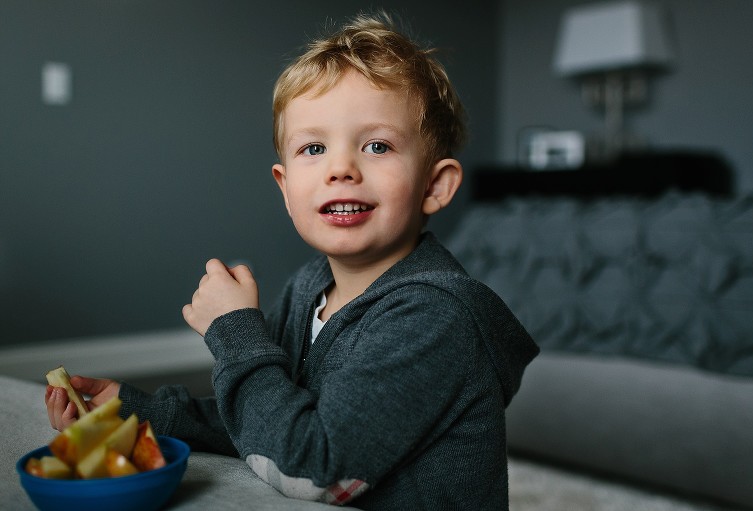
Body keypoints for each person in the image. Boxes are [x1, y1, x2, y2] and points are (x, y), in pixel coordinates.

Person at [46, 11, 538, 509]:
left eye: (376, 145)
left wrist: (237, 331)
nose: (341, 168)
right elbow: (266, 422)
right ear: (286, 188)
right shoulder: (309, 287)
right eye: (314, 147)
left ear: (434, 185)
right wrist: (136, 412)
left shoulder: (435, 318)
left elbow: (311, 468)